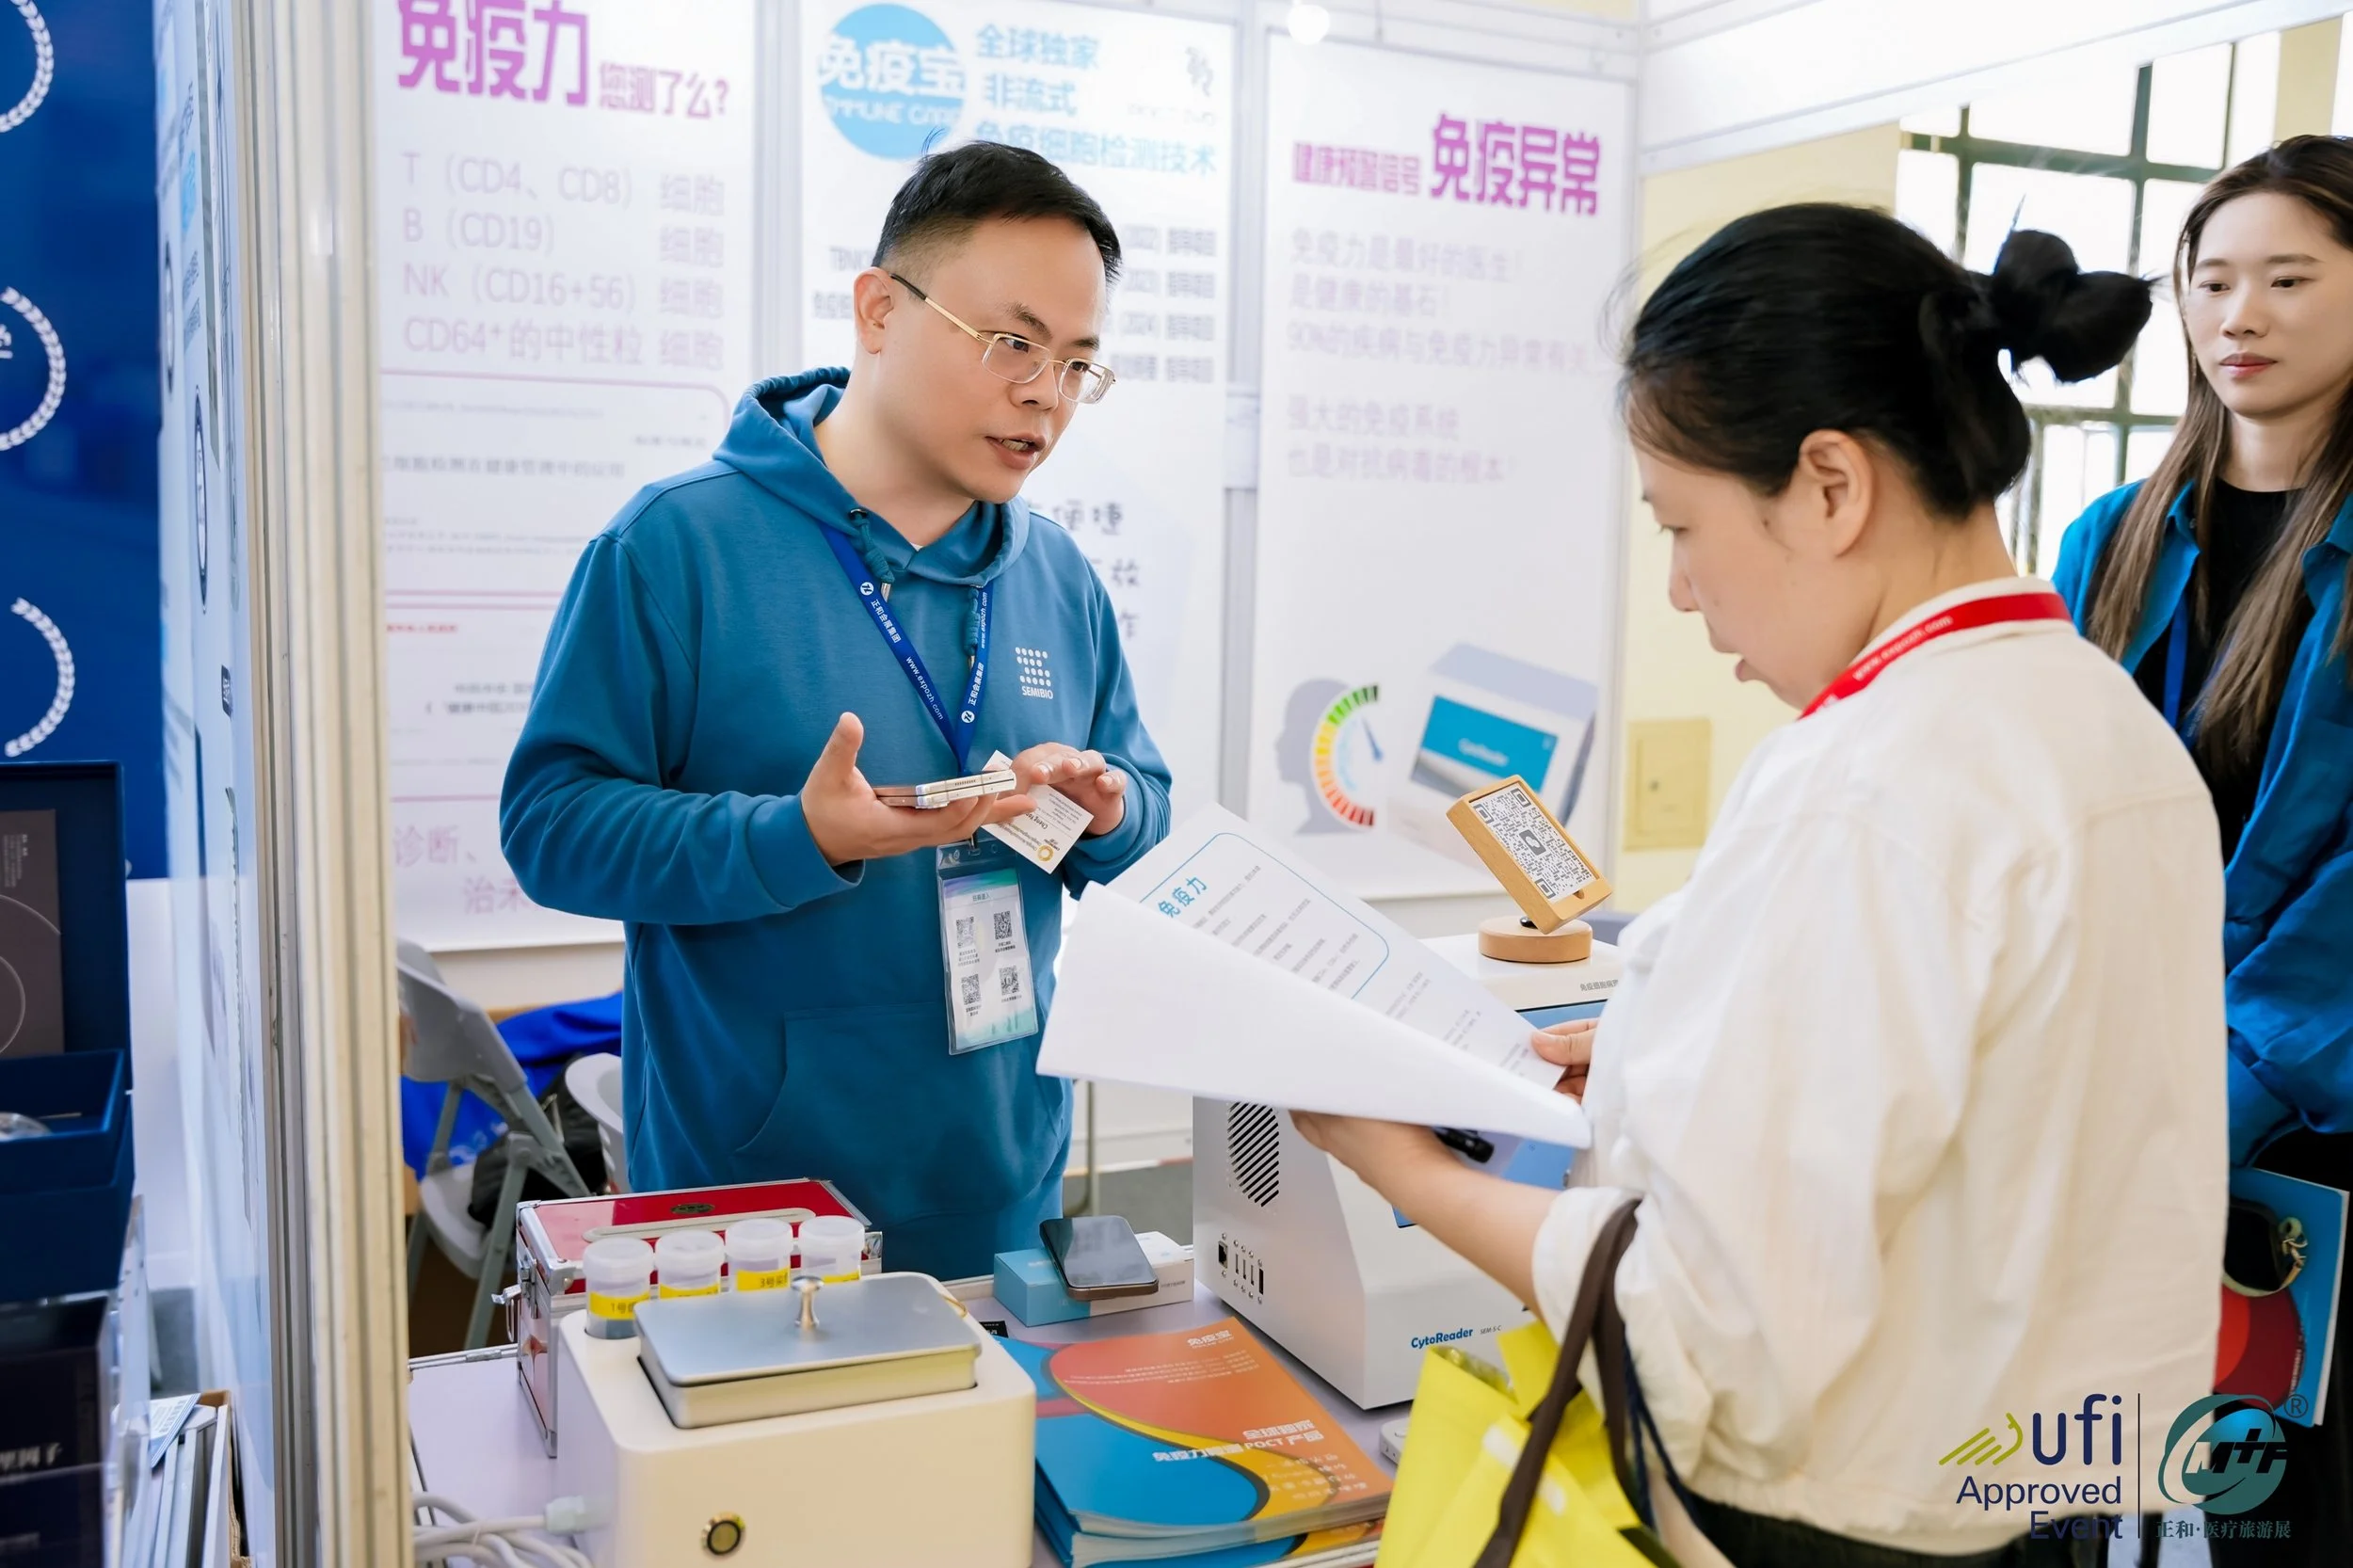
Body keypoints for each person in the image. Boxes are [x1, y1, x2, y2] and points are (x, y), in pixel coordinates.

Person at [1292, 206, 2229, 1564]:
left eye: (1683, 524)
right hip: (2043, 1497)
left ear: (1831, 485)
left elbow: (1703, 1321)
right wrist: (1659, 1053)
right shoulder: (2109, 730)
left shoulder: (1865, 782)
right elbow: (1983, 1111)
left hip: (1826, 1520)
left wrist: (1392, 1163)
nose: (1681, 592)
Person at [500, 143, 1173, 1281]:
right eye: (1011, 343)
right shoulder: (677, 546)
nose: (1042, 395)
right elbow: (553, 827)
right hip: (751, 1210)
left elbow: (1144, 812)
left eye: (1074, 364)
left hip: (1002, 1185)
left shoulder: (1057, 575)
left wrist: (1108, 817)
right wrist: (796, 838)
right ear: (878, 311)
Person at [2053, 135, 2353, 1560]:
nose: (2240, 313)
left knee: (2277, 1502)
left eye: (2289, 277)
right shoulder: (2112, 535)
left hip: (2314, 1104)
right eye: (2213, 278)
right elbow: (2045, 804)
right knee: (2082, 1471)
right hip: (2118, 1089)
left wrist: (2228, 1074)